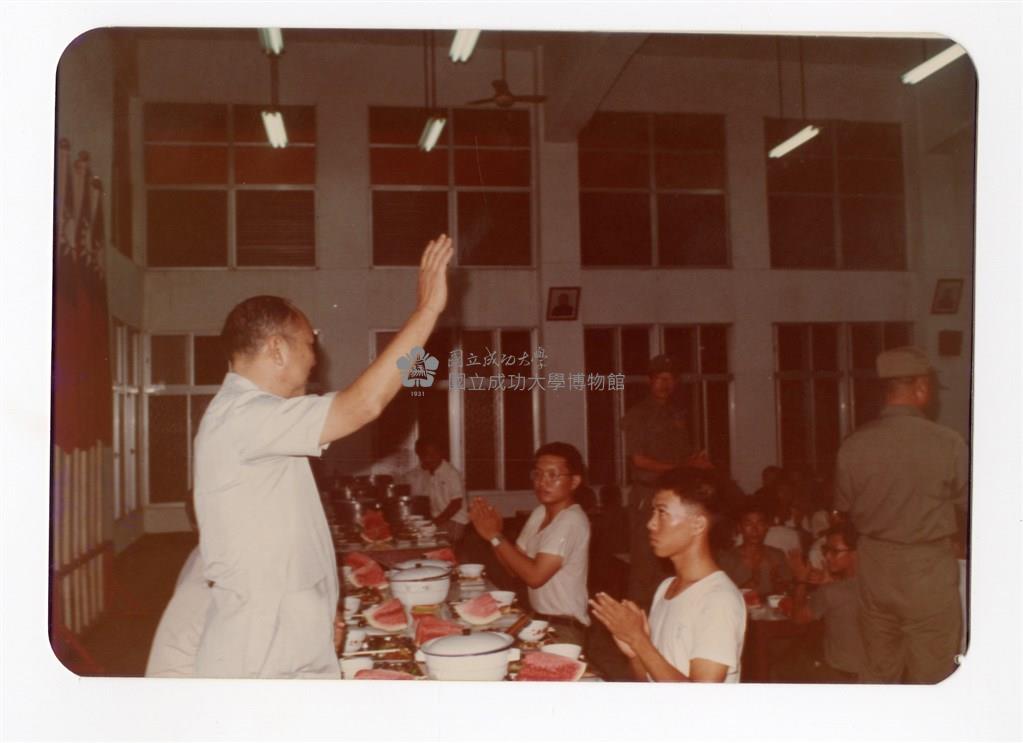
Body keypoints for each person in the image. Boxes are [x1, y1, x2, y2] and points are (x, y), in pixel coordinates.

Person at [192, 234, 452, 678]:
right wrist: (426, 312)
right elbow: (363, 405)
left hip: (283, 629)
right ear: (277, 349)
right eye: (309, 343)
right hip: (265, 643)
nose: (315, 358)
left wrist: (317, 613)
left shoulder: (256, 418)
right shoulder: (244, 416)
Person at [834, 346, 968, 684]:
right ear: (921, 388)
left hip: (875, 568)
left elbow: (844, 509)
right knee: (934, 677)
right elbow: (970, 504)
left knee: (879, 673)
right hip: (927, 570)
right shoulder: (948, 442)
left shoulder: (853, 445)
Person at [590, 467, 746, 682]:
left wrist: (639, 641)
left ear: (697, 524)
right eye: (653, 512)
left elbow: (703, 698)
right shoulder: (666, 588)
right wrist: (635, 652)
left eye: (662, 512)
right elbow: (650, 683)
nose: (650, 523)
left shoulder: (718, 599)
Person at [468, 442, 591, 646]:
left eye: (553, 475)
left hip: (564, 627)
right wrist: (493, 537)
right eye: (538, 474)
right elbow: (514, 569)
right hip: (540, 620)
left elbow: (534, 577)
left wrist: (496, 536)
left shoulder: (571, 521)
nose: (542, 482)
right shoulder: (540, 513)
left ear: (574, 481)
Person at [622, 354, 696, 609]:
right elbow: (639, 460)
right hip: (648, 496)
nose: (666, 384)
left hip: (674, 495)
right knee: (645, 563)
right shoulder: (638, 414)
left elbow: (683, 455)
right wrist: (681, 468)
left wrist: (695, 463)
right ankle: (637, 622)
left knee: (673, 559)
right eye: (660, 378)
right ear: (649, 381)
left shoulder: (677, 414)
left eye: (671, 379)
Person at [787, 522, 865, 682]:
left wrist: (800, 580)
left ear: (855, 553)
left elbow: (797, 618)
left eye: (835, 551)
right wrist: (832, 583)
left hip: (840, 674)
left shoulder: (831, 591)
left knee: (783, 666)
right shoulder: (878, 585)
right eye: (826, 550)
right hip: (875, 672)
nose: (827, 556)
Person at [717, 497, 793, 600]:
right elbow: (719, 596)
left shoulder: (777, 555)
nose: (755, 530)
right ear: (740, 528)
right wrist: (744, 589)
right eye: (748, 524)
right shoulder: (727, 559)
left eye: (760, 524)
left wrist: (778, 584)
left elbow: (787, 593)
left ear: (766, 527)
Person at [401, 436, 468, 544]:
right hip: (438, 518)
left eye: (433, 455)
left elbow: (456, 503)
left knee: (430, 538)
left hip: (456, 520)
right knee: (414, 533)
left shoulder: (451, 473)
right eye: (424, 456)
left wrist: (435, 522)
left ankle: (444, 550)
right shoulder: (428, 472)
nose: (429, 458)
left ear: (441, 453)